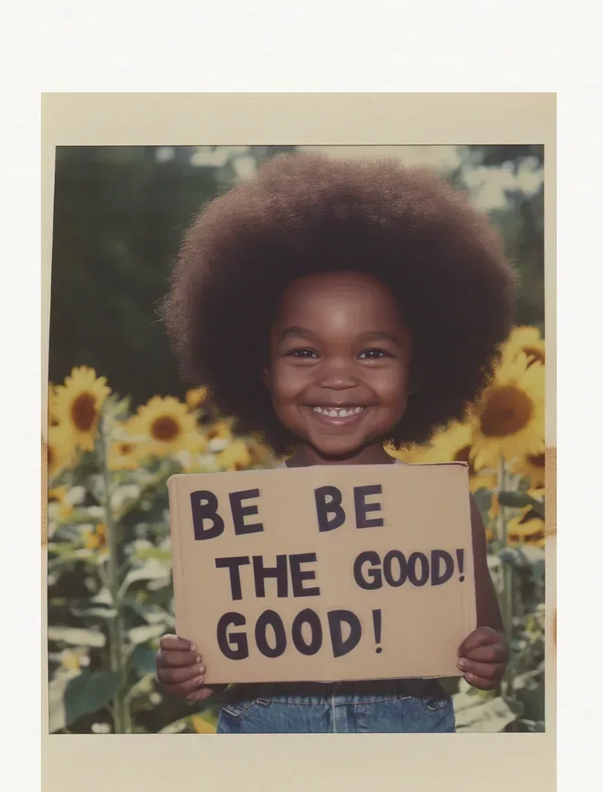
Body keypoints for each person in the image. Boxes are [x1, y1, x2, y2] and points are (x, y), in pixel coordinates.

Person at [156, 153, 514, 733]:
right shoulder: (230, 522)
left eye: (372, 352)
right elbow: (211, 658)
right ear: (263, 370)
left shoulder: (441, 506)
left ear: (419, 371)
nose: (338, 377)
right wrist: (182, 671)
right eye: (304, 352)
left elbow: (486, 644)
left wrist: (486, 654)